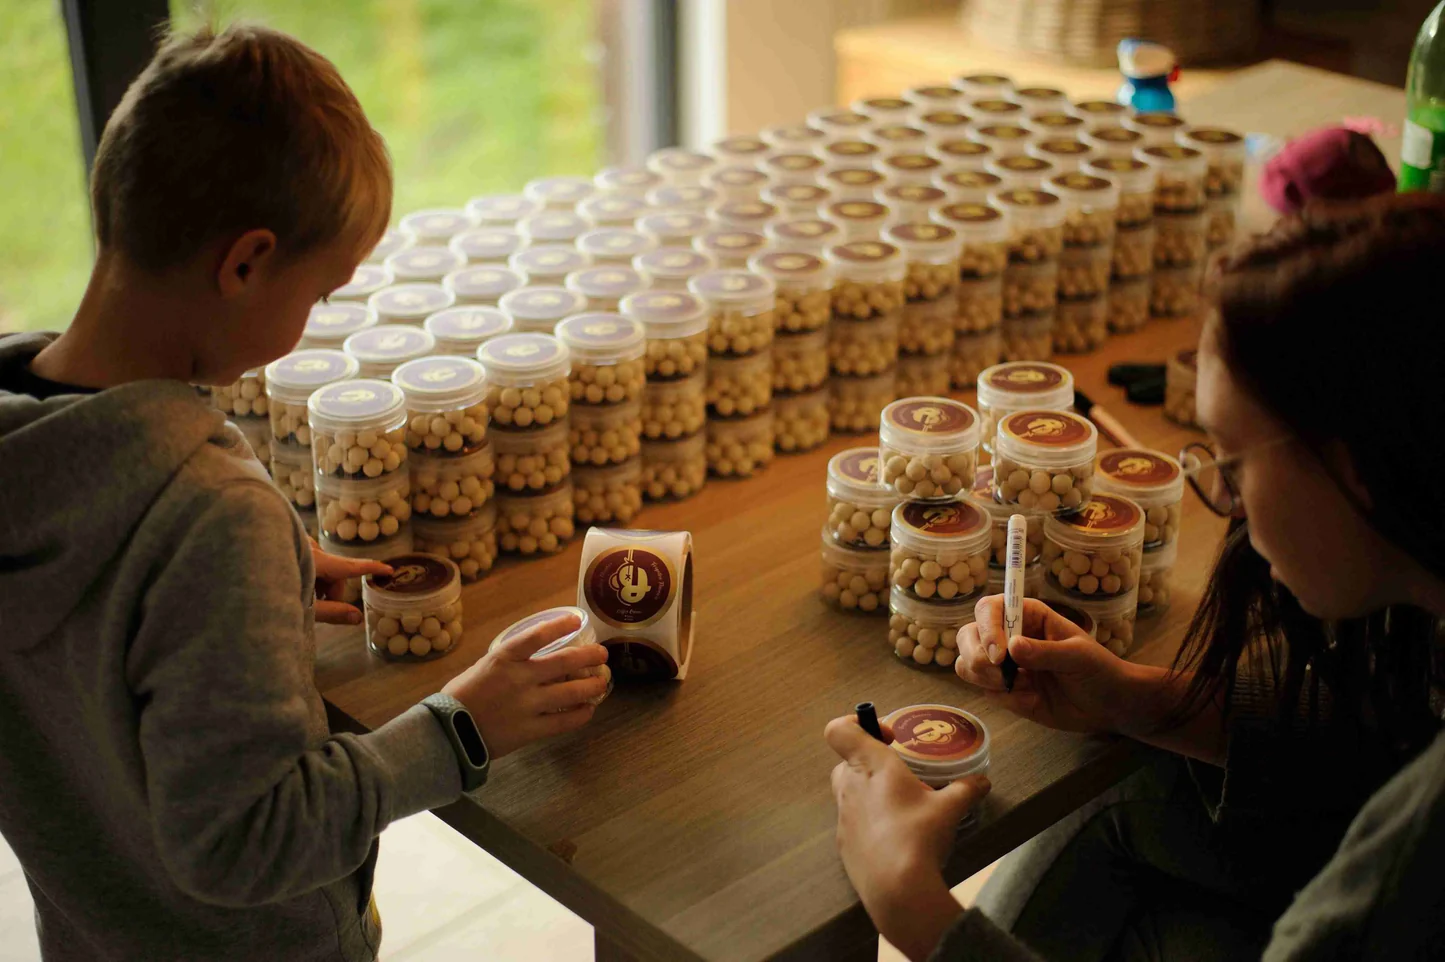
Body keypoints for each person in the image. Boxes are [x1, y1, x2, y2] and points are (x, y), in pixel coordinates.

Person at [0, 24, 606, 962]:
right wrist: (463, 726)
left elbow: (97, 659)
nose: (313, 320)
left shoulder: (31, 449)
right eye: (320, 294)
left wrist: (258, 578)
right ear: (245, 264)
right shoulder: (207, 517)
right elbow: (244, 839)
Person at [826, 192, 1445, 961]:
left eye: (1231, 461)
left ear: (1353, 466)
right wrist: (1141, 700)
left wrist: (909, 901)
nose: (1224, 504)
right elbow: (1389, 736)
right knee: (1140, 798)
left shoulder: (1412, 855)